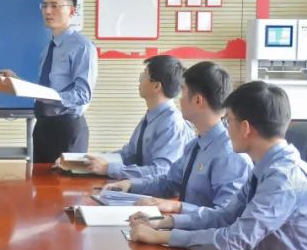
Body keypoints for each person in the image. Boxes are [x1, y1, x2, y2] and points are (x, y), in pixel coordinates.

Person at [127, 80, 307, 250]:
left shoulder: (283, 177)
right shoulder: (266, 166)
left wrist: (161, 237)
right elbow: (224, 216)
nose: (226, 129)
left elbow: (235, 239)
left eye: (228, 121)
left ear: (245, 128)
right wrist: (164, 223)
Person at [103, 61, 251, 215]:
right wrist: (130, 185)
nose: (179, 99)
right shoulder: (195, 145)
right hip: (181, 225)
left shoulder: (231, 155)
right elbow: (169, 182)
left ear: (198, 101)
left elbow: (225, 215)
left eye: (183, 91)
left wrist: (178, 208)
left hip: (197, 230)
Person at [0, 0, 97, 163]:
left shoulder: (82, 46)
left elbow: (83, 94)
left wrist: (48, 96)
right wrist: (18, 81)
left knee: (65, 181)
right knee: (39, 180)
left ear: (71, 11)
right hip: (43, 126)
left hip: (67, 128)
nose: (48, 11)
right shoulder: (48, 48)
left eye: (54, 6)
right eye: (44, 6)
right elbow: (45, 89)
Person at [80, 55, 190, 180]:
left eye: (143, 76)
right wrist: (91, 160)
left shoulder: (172, 123)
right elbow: (129, 155)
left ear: (156, 86)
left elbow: (160, 171)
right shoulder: (152, 116)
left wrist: (108, 168)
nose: (139, 81)